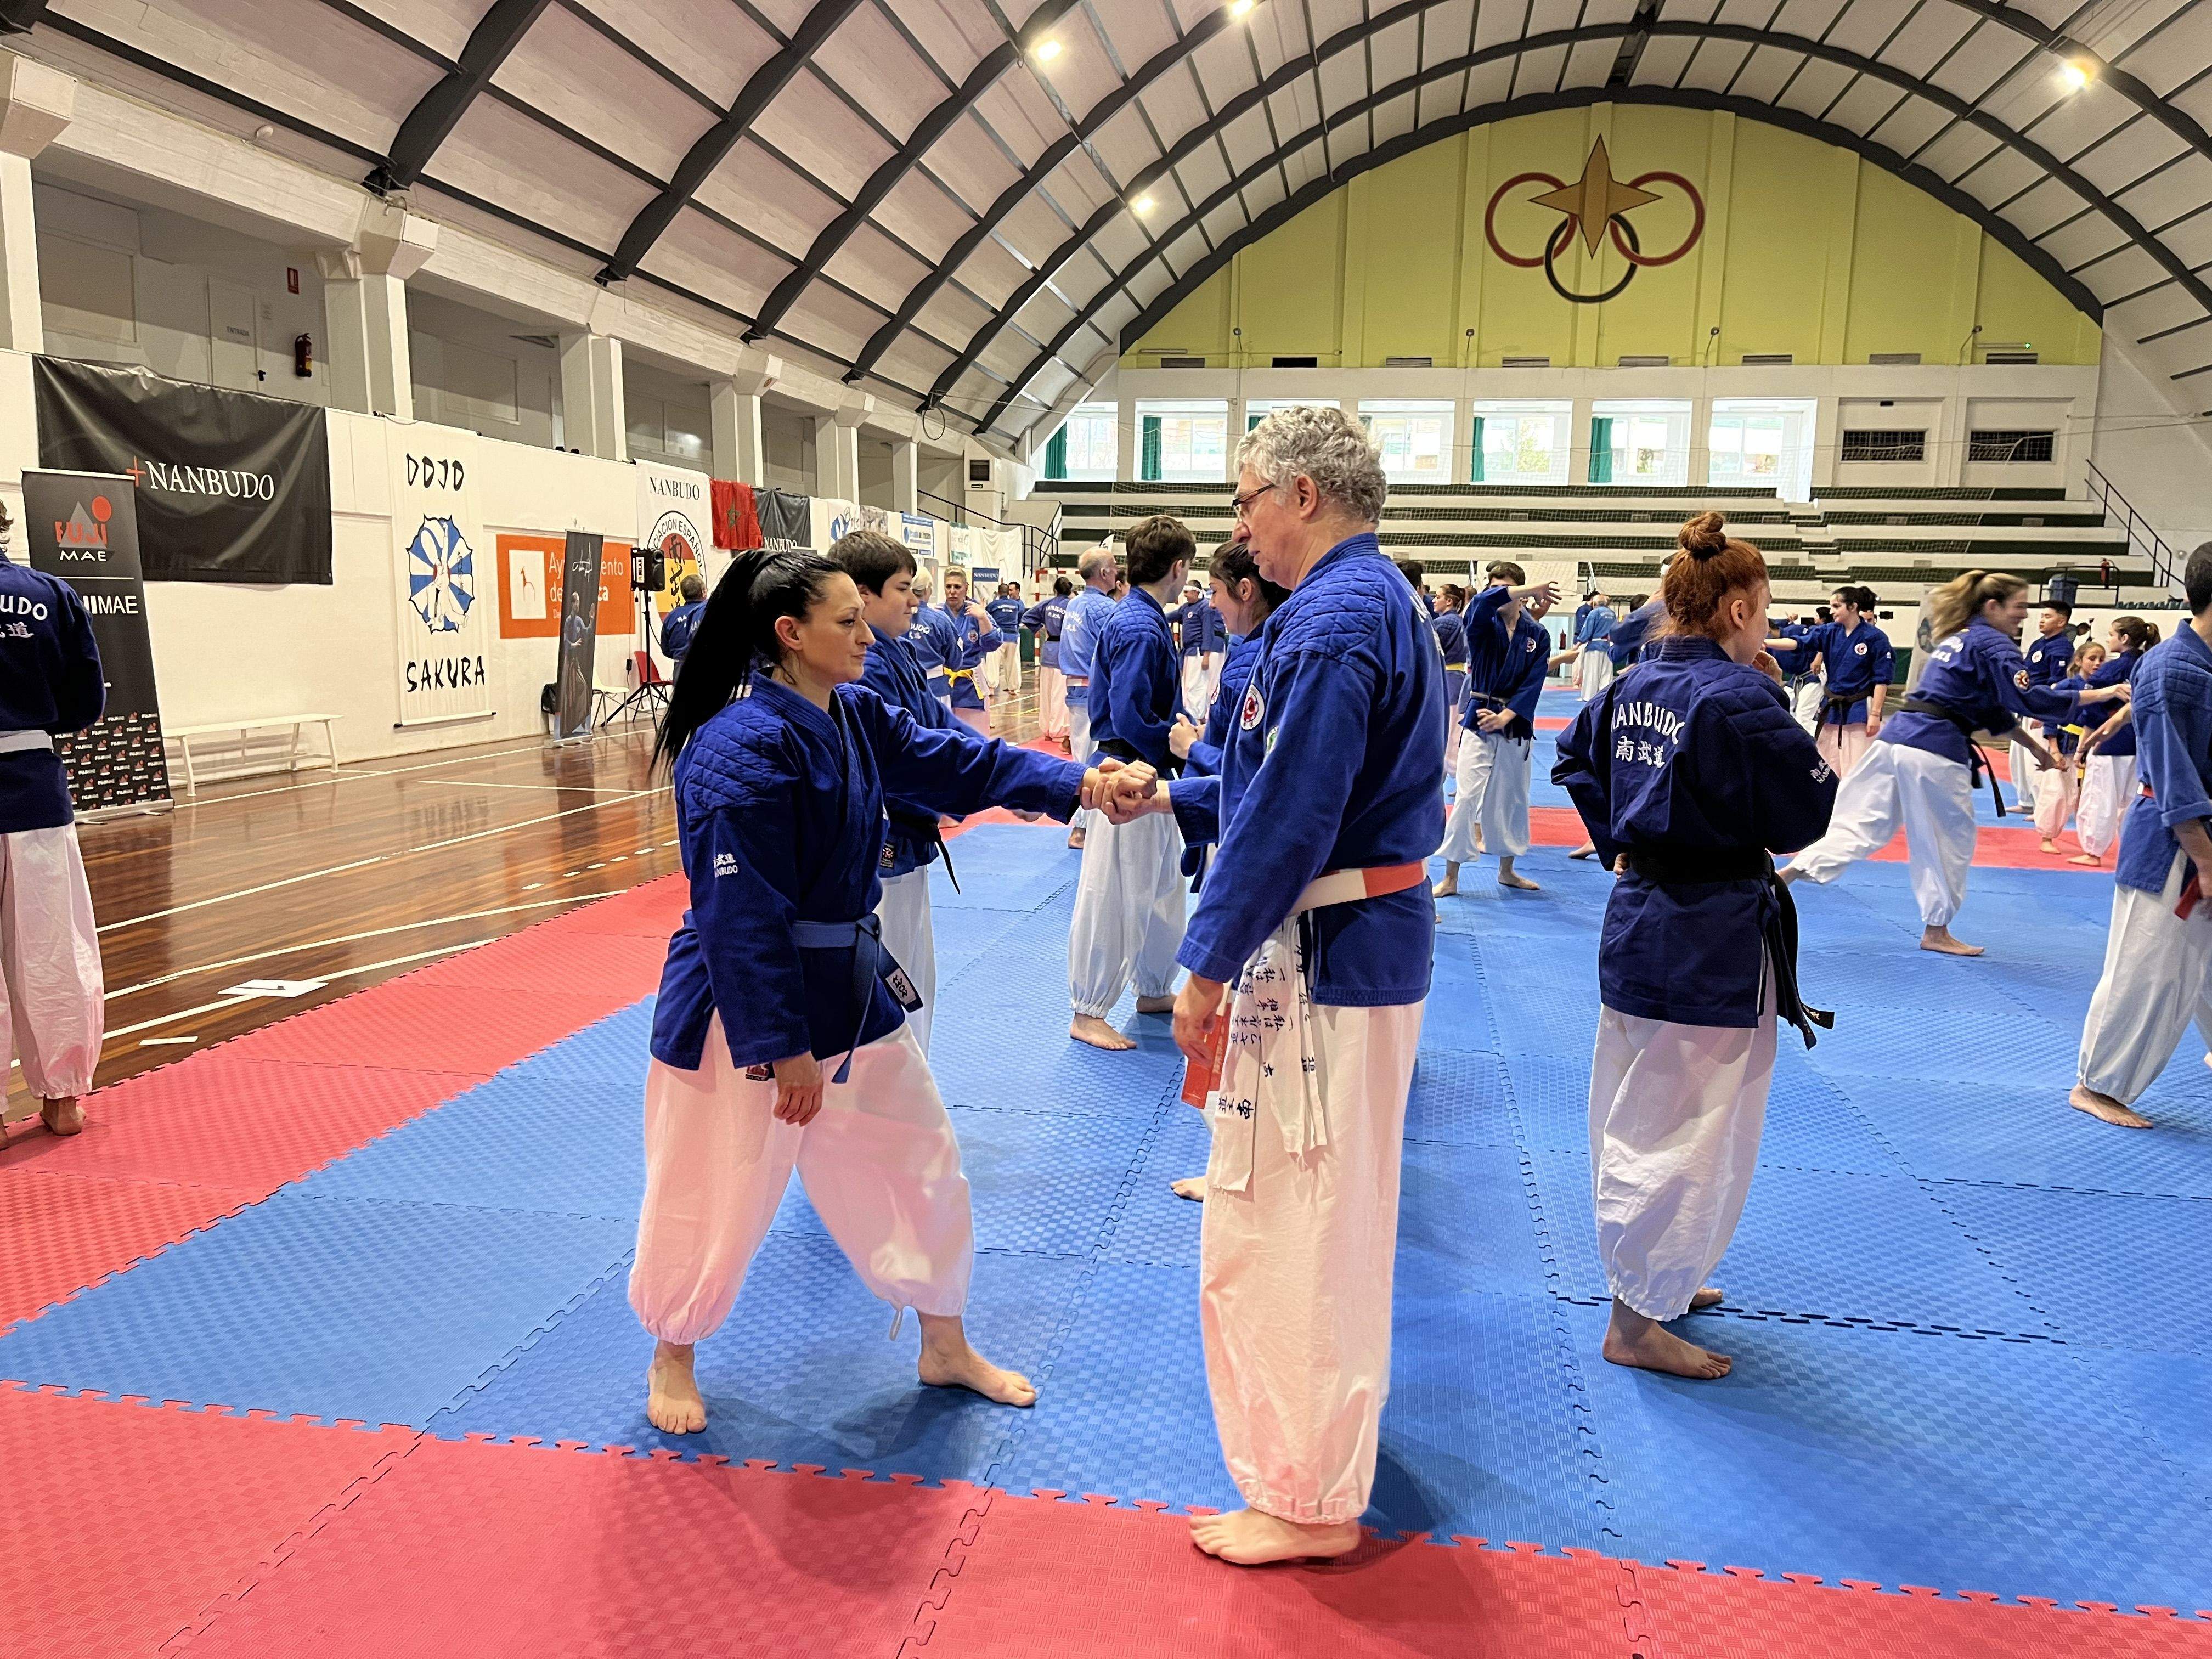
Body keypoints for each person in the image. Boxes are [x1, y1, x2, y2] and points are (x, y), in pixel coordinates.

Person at [630, 547, 1156, 1437]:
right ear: (790, 635)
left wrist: (1080, 782)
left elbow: (960, 764)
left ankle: (942, 1338)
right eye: (845, 620)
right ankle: (672, 1347)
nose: (865, 633)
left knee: (919, 1156)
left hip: (849, 985)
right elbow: (736, 915)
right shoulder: (735, 747)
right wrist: (780, 1046)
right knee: (715, 1183)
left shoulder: (852, 711)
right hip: (740, 1008)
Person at [1127, 405, 1443, 1565]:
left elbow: (1297, 814)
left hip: (1331, 949)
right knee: (1323, 1211)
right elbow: (1274, 788)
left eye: (1247, 498)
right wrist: (1170, 796)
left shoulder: (1332, 620)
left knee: (1300, 1220)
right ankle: (1324, 1454)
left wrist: (1205, 960)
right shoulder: (1366, 602)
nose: (1241, 525)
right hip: (1352, 937)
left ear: (1303, 495)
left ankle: (1307, 1497)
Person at [1554, 511, 1838, 1380]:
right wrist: (1777, 702)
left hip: (1639, 916)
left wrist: (1622, 845)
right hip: (1711, 929)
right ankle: (1636, 1322)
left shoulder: (1634, 681)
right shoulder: (1743, 695)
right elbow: (1807, 813)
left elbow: (1573, 756)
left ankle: (1656, 1280)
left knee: (1635, 1110)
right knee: (1689, 1126)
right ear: (1743, 607)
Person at [1784, 570, 2127, 955]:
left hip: (1896, 742)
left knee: (1862, 820)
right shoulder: (1994, 645)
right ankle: (1937, 930)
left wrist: (2039, 752)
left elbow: (1993, 711)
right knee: (1949, 842)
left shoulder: (1958, 641)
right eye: (2019, 607)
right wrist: (2104, 693)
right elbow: (2032, 701)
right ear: (1992, 606)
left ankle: (1790, 873)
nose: (2024, 616)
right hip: (1934, 751)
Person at [1165, 538, 1290, 1204]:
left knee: (1237, 1015)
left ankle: (1234, 1158)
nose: (1210, 605)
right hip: (1252, 843)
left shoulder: (1259, 660)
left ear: (1245, 590)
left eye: (1216, 592)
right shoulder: (1269, 648)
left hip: (1247, 850)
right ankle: (1237, 1155)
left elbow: (1257, 785)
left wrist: (1193, 751)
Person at [2072, 547, 2212, 1130]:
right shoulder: (2170, 667)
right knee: (2148, 969)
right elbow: (2173, 771)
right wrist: (2205, 858)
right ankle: (2098, 1084)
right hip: (2174, 846)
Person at [0, 503, 106, 1137]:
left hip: (33, 789)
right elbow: (85, 701)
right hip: (34, 790)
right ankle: (62, 1098)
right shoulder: (49, 595)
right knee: (51, 948)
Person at [1068, 516, 1190, 1051]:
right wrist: (1181, 748)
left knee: (1164, 885)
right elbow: (1129, 713)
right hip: (1128, 772)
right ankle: (1088, 1008)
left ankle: (1154, 988)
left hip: (1151, 771)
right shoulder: (1139, 625)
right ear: (1179, 566)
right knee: (1114, 893)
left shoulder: (1144, 617)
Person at [839, 531, 955, 1054]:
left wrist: (1013, 780)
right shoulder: (868, 669)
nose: (916, 600)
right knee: (888, 978)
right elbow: (909, 757)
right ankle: (889, 1099)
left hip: (910, 837)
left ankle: (910, 1089)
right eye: (904, 589)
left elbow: (938, 726)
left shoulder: (897, 655)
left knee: (915, 976)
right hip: (884, 842)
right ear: (864, 596)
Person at [1434, 560, 1560, 896]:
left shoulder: (1537, 634)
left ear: (1517, 593)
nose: (1496, 593)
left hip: (1515, 723)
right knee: (1466, 797)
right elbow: (1480, 602)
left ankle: (1507, 871)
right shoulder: (1481, 623)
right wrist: (1526, 590)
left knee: (1513, 798)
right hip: (1479, 717)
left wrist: (1507, 717)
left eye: (1503, 586)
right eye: (1493, 587)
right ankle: (1451, 878)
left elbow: (1534, 681)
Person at [1764, 586, 1893, 776]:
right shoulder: (1830, 632)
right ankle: (1831, 800)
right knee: (1827, 761)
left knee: (1858, 766)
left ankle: (1857, 802)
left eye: (1836, 606)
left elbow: (1882, 679)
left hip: (1859, 708)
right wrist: (1766, 643)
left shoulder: (1876, 638)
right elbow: (1799, 643)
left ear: (1852, 607)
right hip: (1832, 708)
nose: (1831, 611)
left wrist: (1875, 714)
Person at [2072, 616, 2160, 868]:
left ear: (2124, 639)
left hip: (2107, 743)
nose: (2109, 639)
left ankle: (2093, 851)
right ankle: (2131, 850)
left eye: (2111, 635)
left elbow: (2092, 711)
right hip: (2137, 744)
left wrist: (2083, 746)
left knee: (2100, 798)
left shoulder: (2111, 670)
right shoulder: (2148, 663)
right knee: (2130, 801)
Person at [1059, 546, 1120, 850]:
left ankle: (1084, 826)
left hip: (1075, 691)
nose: (1118, 572)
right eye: (1114, 567)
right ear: (1106, 573)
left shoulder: (1075, 604)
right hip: (1092, 693)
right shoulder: (1105, 609)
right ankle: (1082, 828)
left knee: (1083, 756)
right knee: (1093, 761)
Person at [2036, 640, 2104, 854]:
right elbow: (2050, 716)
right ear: (2079, 660)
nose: (2097, 663)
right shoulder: (2066, 686)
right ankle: (2047, 836)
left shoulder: (2104, 688)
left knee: (2087, 796)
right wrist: (2054, 749)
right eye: (2092, 659)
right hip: (2065, 743)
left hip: (2090, 745)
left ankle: (2089, 845)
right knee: (2057, 792)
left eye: (2101, 659)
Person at [2016, 600, 2075, 813]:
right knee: (2020, 758)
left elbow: (2057, 683)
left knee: (2037, 758)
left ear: (2062, 622)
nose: (2042, 620)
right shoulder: (2038, 644)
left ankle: (2043, 807)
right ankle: (2027, 802)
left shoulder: (2062, 648)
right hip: (2026, 703)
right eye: (2042, 616)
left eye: (2048, 617)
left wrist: (2045, 710)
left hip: (2040, 706)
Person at [935, 568, 1002, 737]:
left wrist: (983, 619)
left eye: (957, 587)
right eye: (948, 586)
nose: (952, 592)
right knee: (945, 738)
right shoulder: (937, 614)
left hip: (971, 685)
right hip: (943, 684)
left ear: (966, 587)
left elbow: (993, 644)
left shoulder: (977, 613)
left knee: (975, 739)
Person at [1024, 576, 1074, 744]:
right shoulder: (1071, 605)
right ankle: (1058, 730)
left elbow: (1027, 617)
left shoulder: (1047, 604)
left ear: (1055, 589)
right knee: (1059, 694)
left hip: (1048, 650)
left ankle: (1046, 728)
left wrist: (1041, 628)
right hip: (1063, 651)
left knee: (1046, 693)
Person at [1169, 579, 1227, 719]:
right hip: (1189, 652)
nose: (1185, 595)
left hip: (1200, 652)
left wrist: (1206, 654)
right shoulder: (1186, 608)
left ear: (1196, 593)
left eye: (1187, 592)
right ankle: (1196, 716)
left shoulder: (1205, 608)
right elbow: (1170, 616)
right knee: (1189, 686)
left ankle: (1198, 717)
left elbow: (1207, 631)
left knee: (1201, 686)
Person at [1432, 585, 1469, 771]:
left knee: (1445, 733)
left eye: (1438, 597)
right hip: (1458, 677)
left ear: (1449, 601)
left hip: (1447, 679)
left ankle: (1446, 773)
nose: (1433, 600)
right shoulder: (1461, 621)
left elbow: (1430, 652)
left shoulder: (1443, 623)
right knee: (1454, 732)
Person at [984, 581, 1025, 706]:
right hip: (1013, 637)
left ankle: (991, 687)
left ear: (998, 593)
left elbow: (986, 616)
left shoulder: (993, 605)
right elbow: (1020, 618)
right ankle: (1014, 688)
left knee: (993, 663)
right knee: (1012, 664)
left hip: (999, 637)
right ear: (1008, 593)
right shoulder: (1017, 605)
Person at [1574, 589, 1617, 701]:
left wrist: (1579, 643)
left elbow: (1587, 629)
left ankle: (1588, 696)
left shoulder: (1594, 613)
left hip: (1594, 646)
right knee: (1606, 674)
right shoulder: (1612, 614)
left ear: (1594, 604)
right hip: (1608, 646)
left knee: (1592, 672)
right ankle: (1604, 697)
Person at [660, 574, 707, 662]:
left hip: (680, 668)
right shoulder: (709, 611)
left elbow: (666, 649)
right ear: (703, 593)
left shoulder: (672, 617)